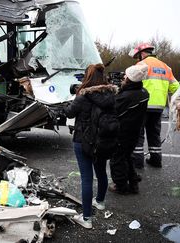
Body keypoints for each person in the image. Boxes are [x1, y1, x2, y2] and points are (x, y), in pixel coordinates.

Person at [64, 63, 117, 229]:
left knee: (86, 178)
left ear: (87, 78)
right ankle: (100, 202)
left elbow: (69, 112)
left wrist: (74, 97)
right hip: (103, 141)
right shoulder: (111, 95)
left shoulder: (83, 96)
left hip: (83, 141)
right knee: (101, 171)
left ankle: (86, 218)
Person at [129, 43, 179, 168]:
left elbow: (130, 84)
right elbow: (176, 88)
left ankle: (138, 162)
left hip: (142, 105)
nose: (137, 59)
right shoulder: (166, 67)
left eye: (137, 56)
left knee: (137, 133)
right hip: (158, 108)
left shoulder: (141, 65)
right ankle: (156, 160)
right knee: (154, 134)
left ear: (142, 54)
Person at [109, 64, 149, 194]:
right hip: (134, 131)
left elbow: (113, 110)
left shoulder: (126, 96)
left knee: (117, 159)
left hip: (122, 132)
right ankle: (133, 183)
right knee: (127, 157)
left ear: (130, 79)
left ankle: (120, 186)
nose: (123, 77)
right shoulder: (143, 92)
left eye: (125, 76)